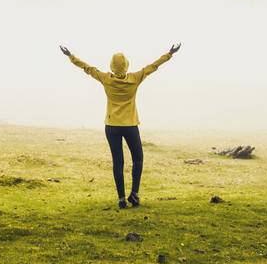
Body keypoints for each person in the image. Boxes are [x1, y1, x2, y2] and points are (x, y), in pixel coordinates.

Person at [60, 43, 181, 208]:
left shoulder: (105, 78)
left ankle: (121, 198)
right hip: (130, 125)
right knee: (138, 158)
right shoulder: (135, 78)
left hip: (111, 126)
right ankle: (135, 194)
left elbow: (87, 68)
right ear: (127, 65)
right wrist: (170, 53)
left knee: (118, 163)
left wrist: (70, 56)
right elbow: (153, 66)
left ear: (111, 66)